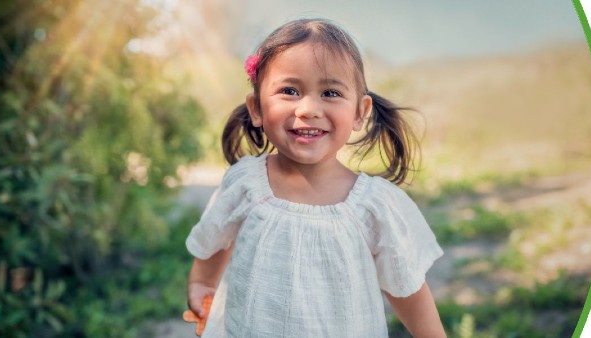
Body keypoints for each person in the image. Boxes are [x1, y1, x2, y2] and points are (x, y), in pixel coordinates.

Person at [185, 18, 445, 337]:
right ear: (256, 108)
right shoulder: (246, 184)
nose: (308, 108)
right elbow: (217, 236)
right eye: (290, 91)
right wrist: (202, 282)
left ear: (360, 112)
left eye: (330, 92)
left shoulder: (374, 206)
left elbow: (407, 285)